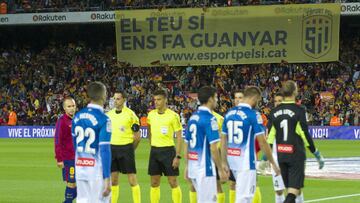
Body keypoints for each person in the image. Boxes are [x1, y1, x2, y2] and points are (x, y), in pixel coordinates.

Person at [267, 81, 325, 203]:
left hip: (281, 155)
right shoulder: (299, 111)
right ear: (295, 92)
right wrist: (316, 153)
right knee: (293, 192)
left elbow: (270, 137)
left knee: (292, 190)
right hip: (295, 155)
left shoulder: (274, 113)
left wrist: (264, 158)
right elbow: (305, 135)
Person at [221, 86, 280, 203]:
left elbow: (223, 139)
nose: (257, 103)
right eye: (258, 100)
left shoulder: (229, 113)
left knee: (239, 193)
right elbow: (262, 142)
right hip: (246, 163)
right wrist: (272, 162)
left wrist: (223, 162)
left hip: (232, 160)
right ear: (254, 98)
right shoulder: (254, 115)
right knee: (245, 198)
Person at [184, 86, 228, 203]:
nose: (217, 100)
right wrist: (220, 169)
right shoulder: (210, 119)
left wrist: (187, 166)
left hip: (193, 166)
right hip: (205, 169)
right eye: (216, 97)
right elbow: (214, 148)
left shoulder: (193, 117)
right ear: (210, 99)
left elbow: (187, 144)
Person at [72, 81, 112, 203]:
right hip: (96, 172)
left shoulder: (77, 116)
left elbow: (75, 144)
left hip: (80, 168)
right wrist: (107, 177)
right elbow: (105, 149)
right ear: (104, 96)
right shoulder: (104, 119)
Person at [147, 89, 182, 203]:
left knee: (173, 182)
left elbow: (179, 137)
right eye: (155, 100)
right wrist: (152, 143)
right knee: (154, 182)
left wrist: (177, 156)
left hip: (168, 152)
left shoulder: (173, 116)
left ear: (165, 100)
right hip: (155, 151)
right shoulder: (151, 115)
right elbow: (149, 129)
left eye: (159, 99)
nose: (156, 102)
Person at [107, 90, 141, 203]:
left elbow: (137, 137)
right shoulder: (108, 115)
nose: (115, 101)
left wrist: (131, 150)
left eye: (118, 99)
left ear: (124, 100)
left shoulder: (131, 115)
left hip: (126, 149)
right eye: (114, 99)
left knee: (132, 180)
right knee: (114, 180)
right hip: (112, 149)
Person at [54, 97, 77, 203]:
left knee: (81, 184)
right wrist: (59, 159)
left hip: (79, 158)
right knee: (71, 183)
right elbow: (57, 141)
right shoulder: (62, 121)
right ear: (64, 108)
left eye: (73, 106)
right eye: (69, 106)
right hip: (68, 159)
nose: (72, 108)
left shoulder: (77, 119)